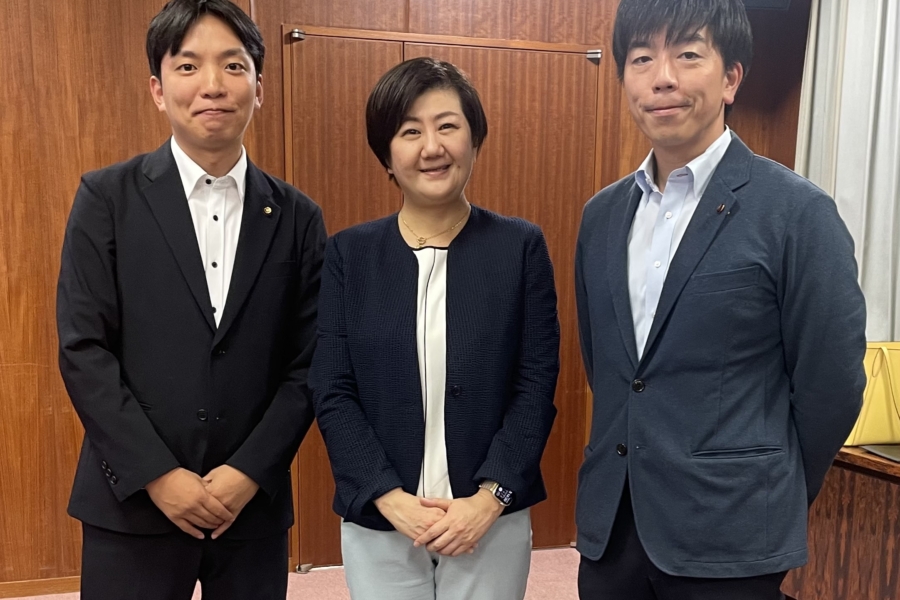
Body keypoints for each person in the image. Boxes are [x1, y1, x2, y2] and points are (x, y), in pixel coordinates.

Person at [574, 1, 867, 598]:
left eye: (687, 54)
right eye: (641, 59)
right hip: (613, 529)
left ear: (731, 77)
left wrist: (772, 488)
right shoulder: (601, 216)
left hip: (731, 538)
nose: (662, 77)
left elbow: (832, 385)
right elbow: (608, 369)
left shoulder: (796, 212)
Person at [56, 1, 325, 597]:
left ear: (259, 87)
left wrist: (248, 471)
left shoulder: (298, 216)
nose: (212, 85)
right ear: (158, 89)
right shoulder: (106, 198)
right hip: (132, 503)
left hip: (249, 507)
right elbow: (83, 349)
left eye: (233, 65)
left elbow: (309, 361)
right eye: (187, 66)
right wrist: (157, 475)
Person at [309, 57, 560, 600]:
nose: (431, 147)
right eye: (410, 131)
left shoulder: (519, 247)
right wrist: (386, 495)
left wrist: (490, 499)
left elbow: (536, 384)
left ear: (474, 138)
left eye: (447, 126)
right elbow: (332, 389)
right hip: (382, 517)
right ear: (386, 154)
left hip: (488, 519)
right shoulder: (350, 254)